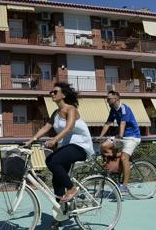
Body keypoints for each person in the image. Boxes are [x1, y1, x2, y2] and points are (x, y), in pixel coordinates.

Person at [25, 82, 94, 227]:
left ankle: (72, 188)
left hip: (81, 146)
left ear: (63, 95)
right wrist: (32, 139)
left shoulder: (71, 109)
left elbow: (69, 127)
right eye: (51, 92)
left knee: (52, 161)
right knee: (57, 181)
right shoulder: (55, 114)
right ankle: (61, 214)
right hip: (67, 147)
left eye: (55, 92)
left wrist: (55, 139)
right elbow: (46, 127)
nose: (52, 94)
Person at [99, 90, 141, 194]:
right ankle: (117, 163)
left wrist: (120, 137)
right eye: (107, 99)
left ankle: (124, 186)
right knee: (104, 146)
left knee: (124, 158)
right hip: (122, 137)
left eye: (109, 99)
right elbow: (108, 123)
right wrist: (100, 136)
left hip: (132, 137)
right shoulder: (113, 110)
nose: (107, 100)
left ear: (116, 98)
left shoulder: (124, 108)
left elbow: (122, 123)